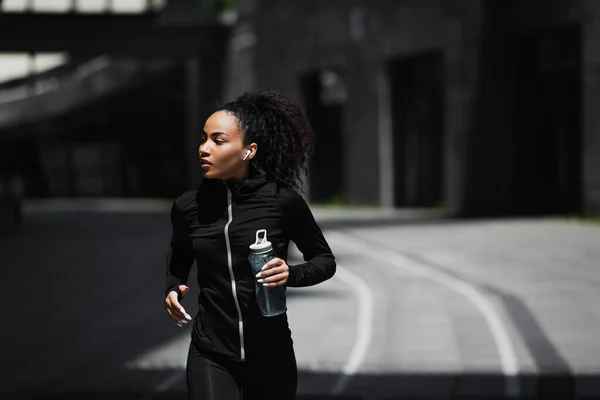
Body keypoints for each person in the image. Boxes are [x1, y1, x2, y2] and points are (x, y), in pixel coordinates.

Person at [164, 90, 337, 400]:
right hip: (211, 352)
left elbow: (324, 260)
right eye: (203, 139)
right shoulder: (187, 207)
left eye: (218, 141)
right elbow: (179, 258)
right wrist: (173, 287)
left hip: (271, 355)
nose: (204, 149)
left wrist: (291, 274)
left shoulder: (282, 201)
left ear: (248, 151)